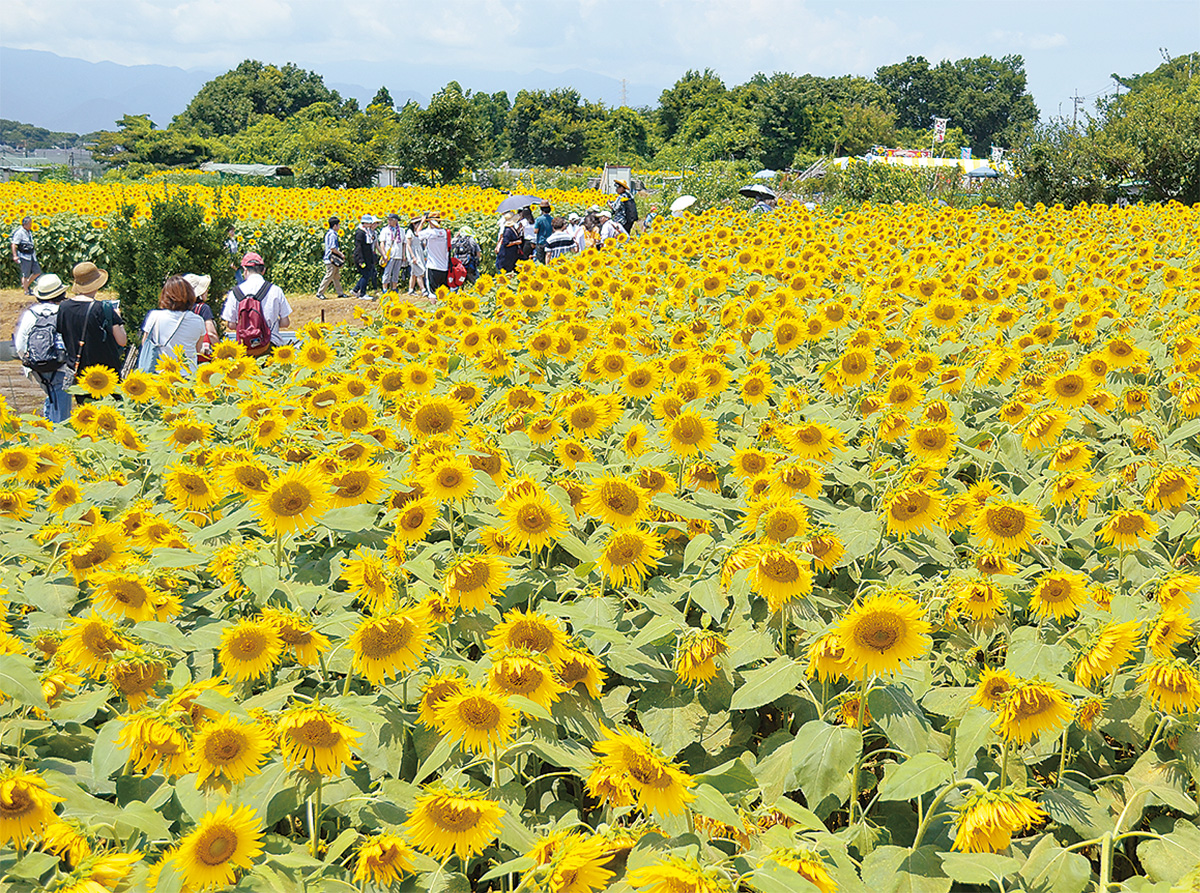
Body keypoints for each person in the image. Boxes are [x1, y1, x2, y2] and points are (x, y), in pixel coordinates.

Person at [57, 261, 127, 402]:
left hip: (80, 373)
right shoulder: (104, 308)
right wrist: (117, 317)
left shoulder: (64, 307)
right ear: (98, 284)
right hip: (106, 374)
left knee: (87, 415)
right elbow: (122, 341)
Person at [14, 273, 71, 421]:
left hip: (37, 366)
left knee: (51, 396)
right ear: (61, 293)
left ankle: (47, 430)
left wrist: (29, 359)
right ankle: (56, 438)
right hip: (60, 366)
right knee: (61, 413)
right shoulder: (64, 312)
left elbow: (20, 344)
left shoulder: (30, 314)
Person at [221, 252, 292, 355]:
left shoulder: (235, 292)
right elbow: (286, 323)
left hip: (245, 349)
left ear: (245, 269)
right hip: (270, 346)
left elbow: (231, 325)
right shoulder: (275, 290)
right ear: (263, 271)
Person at [140, 276, 207, 373]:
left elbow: (145, 342)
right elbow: (197, 348)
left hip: (161, 373)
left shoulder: (155, 316)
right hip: (188, 375)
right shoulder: (198, 320)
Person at [183, 273, 220, 361]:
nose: (207, 290)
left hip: (185, 355)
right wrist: (220, 351)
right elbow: (211, 333)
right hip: (202, 355)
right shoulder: (203, 308)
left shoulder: (181, 309)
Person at [420, 212, 451, 296]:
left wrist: (422, 222)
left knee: (432, 293)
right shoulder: (445, 232)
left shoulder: (430, 233)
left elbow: (417, 234)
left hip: (433, 267)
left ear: (430, 222)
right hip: (444, 267)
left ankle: (434, 308)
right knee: (444, 293)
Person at [316, 216, 347, 300]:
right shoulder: (332, 235)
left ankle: (340, 293)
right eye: (338, 225)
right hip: (331, 259)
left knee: (336, 276)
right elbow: (333, 248)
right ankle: (320, 292)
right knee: (329, 276)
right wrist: (341, 254)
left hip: (330, 259)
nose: (339, 226)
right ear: (334, 226)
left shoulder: (328, 233)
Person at [10, 216, 40, 295]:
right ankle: (26, 291)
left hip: (32, 255)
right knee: (25, 274)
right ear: (24, 224)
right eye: (30, 224)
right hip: (24, 256)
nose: (31, 226)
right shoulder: (19, 233)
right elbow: (14, 244)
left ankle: (26, 285)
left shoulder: (29, 231)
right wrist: (15, 256)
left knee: (37, 272)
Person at [352, 215, 379, 299]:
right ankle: (362, 293)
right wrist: (360, 260)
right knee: (365, 275)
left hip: (367, 257)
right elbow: (358, 247)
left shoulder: (367, 231)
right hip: (362, 257)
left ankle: (356, 290)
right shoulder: (360, 232)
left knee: (367, 274)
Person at [378, 213, 407, 293]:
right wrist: (384, 254)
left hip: (398, 254)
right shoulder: (385, 230)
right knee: (387, 272)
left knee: (396, 273)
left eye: (391, 220)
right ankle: (385, 288)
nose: (389, 221)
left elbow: (404, 243)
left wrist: (403, 255)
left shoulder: (402, 231)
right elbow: (382, 243)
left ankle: (394, 288)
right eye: (388, 219)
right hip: (389, 255)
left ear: (396, 221)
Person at [405, 216, 427, 296]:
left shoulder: (417, 232)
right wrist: (413, 256)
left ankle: (411, 290)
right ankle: (423, 289)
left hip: (419, 252)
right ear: (414, 224)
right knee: (420, 271)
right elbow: (408, 245)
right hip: (413, 253)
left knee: (414, 273)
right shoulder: (409, 232)